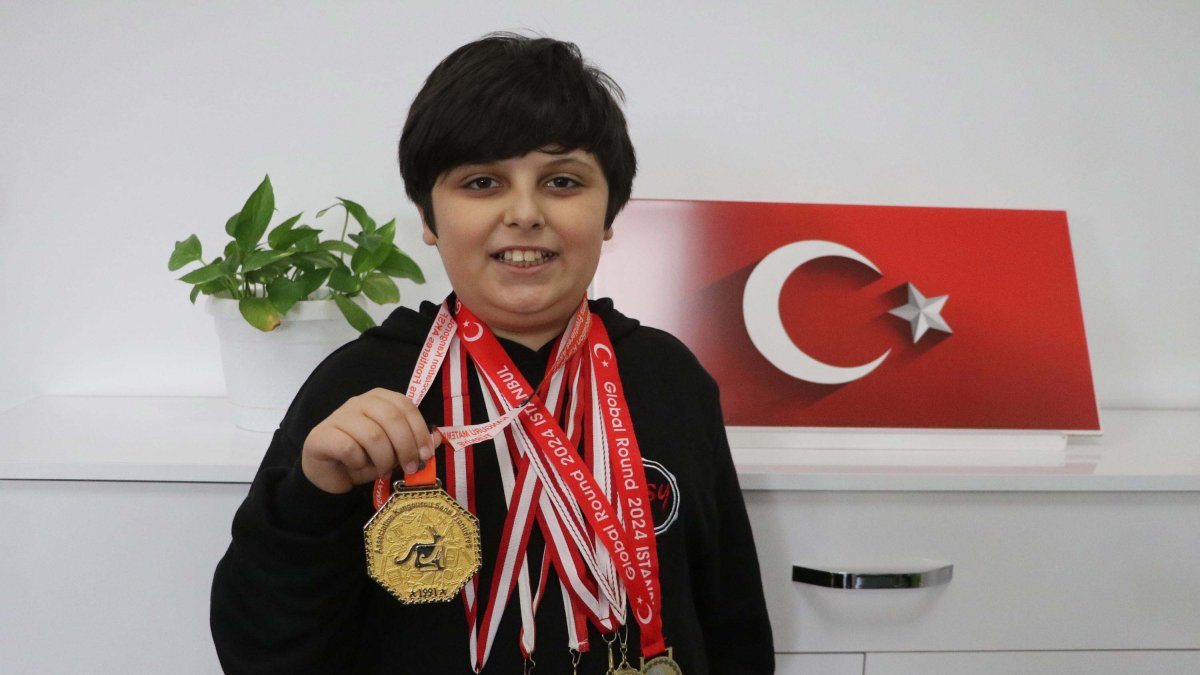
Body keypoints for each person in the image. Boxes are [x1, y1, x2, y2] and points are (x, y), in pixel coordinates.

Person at [210, 33, 774, 674]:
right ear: (429, 216)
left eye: (563, 181)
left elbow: (732, 619)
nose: (525, 212)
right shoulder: (362, 385)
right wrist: (312, 494)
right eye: (482, 182)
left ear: (611, 211)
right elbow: (257, 649)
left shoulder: (669, 378)